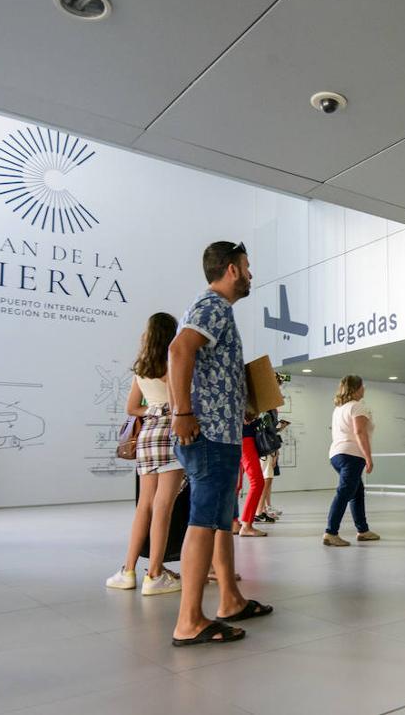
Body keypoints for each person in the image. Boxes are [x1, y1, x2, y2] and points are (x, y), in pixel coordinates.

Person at [168, 241, 272, 646]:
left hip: (223, 431)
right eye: (247, 267)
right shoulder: (212, 305)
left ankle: (229, 598)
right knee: (203, 520)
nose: (250, 274)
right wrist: (182, 413)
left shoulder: (218, 310)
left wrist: (240, 405)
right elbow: (180, 350)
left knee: (220, 521)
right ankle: (189, 621)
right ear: (231, 269)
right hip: (208, 433)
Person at [106, 312, 185, 595]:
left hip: (147, 436)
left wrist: (153, 409)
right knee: (164, 507)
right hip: (171, 433)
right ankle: (154, 573)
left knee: (145, 506)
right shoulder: (173, 362)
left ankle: (127, 571)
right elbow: (178, 404)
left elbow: (131, 408)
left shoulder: (142, 367)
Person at [323, 375, 380, 546]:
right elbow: (359, 432)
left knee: (356, 492)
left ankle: (363, 530)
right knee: (344, 493)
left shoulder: (339, 408)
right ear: (356, 389)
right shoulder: (357, 407)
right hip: (351, 455)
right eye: (363, 386)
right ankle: (330, 533)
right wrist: (368, 457)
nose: (364, 389)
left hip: (336, 454)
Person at [235, 413, 268, 537]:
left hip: (240, 438)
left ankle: (234, 523)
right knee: (258, 482)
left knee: (236, 484)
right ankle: (246, 525)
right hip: (245, 439)